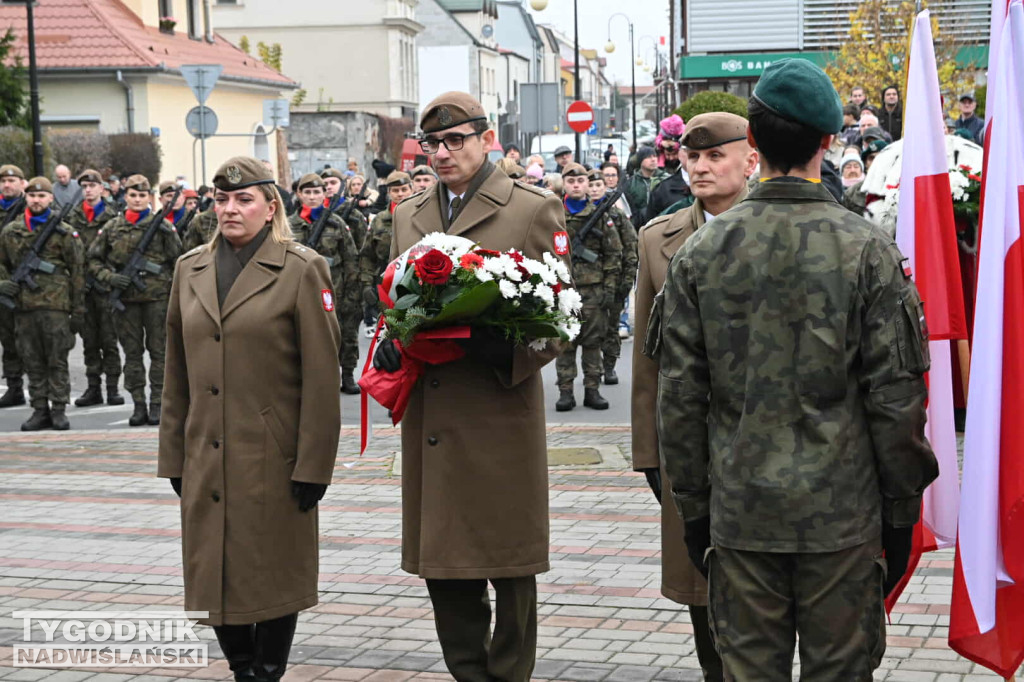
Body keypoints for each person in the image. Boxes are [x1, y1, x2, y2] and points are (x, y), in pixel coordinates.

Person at [653, 59, 938, 681]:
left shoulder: (700, 252)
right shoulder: (868, 249)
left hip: (741, 515)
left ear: (753, 141)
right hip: (843, 520)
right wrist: (900, 512)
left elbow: (678, 400)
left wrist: (694, 508)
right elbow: (896, 400)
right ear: (829, 140)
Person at [373, 91, 568, 682]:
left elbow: (561, 318)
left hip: (497, 407)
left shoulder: (531, 208)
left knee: (510, 563)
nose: (442, 153)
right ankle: (467, 671)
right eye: (432, 143)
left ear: (486, 139)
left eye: (455, 140)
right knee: (444, 563)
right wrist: (395, 334)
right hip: (432, 412)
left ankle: (508, 674)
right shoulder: (408, 213)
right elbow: (396, 297)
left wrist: (496, 345)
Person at [159, 156, 341, 682]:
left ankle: (265, 669)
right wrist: (174, 455)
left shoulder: (301, 268)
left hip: (272, 455)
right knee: (212, 568)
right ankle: (243, 667)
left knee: (273, 569)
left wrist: (314, 465)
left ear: (270, 206)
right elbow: (176, 371)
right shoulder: (189, 268)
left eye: (244, 199)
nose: (230, 209)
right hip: (205, 450)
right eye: (222, 200)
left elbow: (322, 378)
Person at [634, 111, 756, 682]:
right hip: (692, 444)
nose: (700, 168)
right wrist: (649, 453)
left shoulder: (782, 227)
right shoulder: (656, 239)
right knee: (703, 591)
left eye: (714, 156)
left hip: (767, 438)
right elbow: (648, 357)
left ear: (751, 160)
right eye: (692, 157)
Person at [87, 174, 183, 426]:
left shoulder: (162, 227)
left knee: (160, 353)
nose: (138, 200)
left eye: (142, 195)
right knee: (132, 354)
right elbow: (93, 260)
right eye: (133, 195)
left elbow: (179, 261)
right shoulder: (112, 227)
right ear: (126, 197)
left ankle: (157, 403)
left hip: (156, 300)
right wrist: (110, 278)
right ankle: (139, 404)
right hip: (126, 301)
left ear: (149, 197)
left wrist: (169, 289)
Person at [0, 176, 84, 430]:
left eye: (41, 196)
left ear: (50, 198)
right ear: (26, 197)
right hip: (23, 307)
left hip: (56, 307)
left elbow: (77, 271)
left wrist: (78, 309)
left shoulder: (64, 232)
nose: (36, 200)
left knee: (57, 360)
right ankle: (39, 409)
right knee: (32, 360)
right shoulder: (11, 231)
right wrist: (3, 283)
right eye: (32, 196)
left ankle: (58, 409)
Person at [555, 162, 621, 411]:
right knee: (565, 342)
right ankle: (565, 391)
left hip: (593, 290)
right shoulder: (554, 215)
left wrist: (610, 289)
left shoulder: (601, 215)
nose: (576, 185)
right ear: (563, 184)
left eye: (580, 181)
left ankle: (592, 390)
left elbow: (613, 253)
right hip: (563, 289)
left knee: (593, 343)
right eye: (571, 181)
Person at [289, 173, 361, 395]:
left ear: (324, 195)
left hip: (334, 289)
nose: (312, 197)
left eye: (316, 192)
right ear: (299, 194)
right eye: (307, 192)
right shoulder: (289, 225)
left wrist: (351, 294)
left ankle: (347, 374)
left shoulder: (337, 223)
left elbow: (350, 258)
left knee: (344, 333)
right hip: (299, 290)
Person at [66, 169, 124, 407]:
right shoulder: (72, 217)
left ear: (102, 188)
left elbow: (119, 252)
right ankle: (93, 388)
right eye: (84, 187)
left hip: (106, 287)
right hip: (82, 287)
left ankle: (112, 388)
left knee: (109, 340)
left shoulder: (113, 217)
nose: (88, 190)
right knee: (89, 341)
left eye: (92, 186)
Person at [588, 168, 636, 386]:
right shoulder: (580, 216)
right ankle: (592, 369)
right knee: (590, 329)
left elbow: (630, 247)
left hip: (614, 280)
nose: (594, 189)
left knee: (611, 327)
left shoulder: (617, 216)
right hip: (588, 281)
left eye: (598, 185)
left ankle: (609, 366)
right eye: (591, 185)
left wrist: (627, 279)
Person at [357, 171, 413, 337]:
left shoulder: (420, 216)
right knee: (389, 334)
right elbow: (368, 255)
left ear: (411, 190)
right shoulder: (379, 220)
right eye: (395, 190)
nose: (400, 194)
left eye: (404, 189)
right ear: (388, 192)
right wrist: (366, 284)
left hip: (415, 284)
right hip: (385, 284)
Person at [0, 164, 27, 407]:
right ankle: (14, 386)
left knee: (34, 341)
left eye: (12, 180)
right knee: (8, 339)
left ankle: (43, 391)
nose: (7, 185)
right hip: (3, 285)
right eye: (3, 181)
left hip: (28, 286)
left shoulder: (33, 208)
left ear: (22, 183)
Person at [322, 168, 369, 252]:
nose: (328, 187)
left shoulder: (355, 215)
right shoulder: (316, 213)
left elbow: (364, 249)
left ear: (343, 185)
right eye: (325, 184)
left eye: (333, 183)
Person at [623, 146, 667, 227]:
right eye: (648, 157)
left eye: (655, 156)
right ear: (640, 161)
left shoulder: (666, 179)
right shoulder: (631, 183)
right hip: (640, 226)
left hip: (663, 224)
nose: (653, 159)